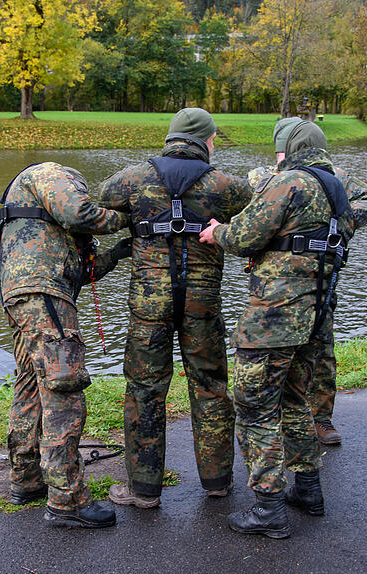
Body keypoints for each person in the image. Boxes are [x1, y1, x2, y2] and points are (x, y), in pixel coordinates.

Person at [200, 121, 355, 538]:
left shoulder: (289, 183)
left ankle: (268, 506)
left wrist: (217, 231)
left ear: (289, 149)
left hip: (275, 317)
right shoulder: (338, 189)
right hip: (316, 316)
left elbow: (246, 237)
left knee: (254, 407)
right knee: (294, 400)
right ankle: (307, 488)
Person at [98, 108, 252, 508]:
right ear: (205, 140)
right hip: (202, 304)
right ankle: (217, 481)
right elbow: (256, 214)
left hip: (150, 305)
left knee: (145, 390)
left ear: (171, 138)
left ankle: (143, 489)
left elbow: (99, 202)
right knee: (211, 387)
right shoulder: (226, 185)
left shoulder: (133, 178)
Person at [0, 162, 132, 527]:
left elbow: (84, 270)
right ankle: (67, 500)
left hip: (25, 297)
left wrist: (118, 253)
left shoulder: (41, 212)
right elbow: (79, 212)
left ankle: (26, 479)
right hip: (44, 296)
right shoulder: (55, 174)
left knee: (29, 385)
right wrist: (127, 218)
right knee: (64, 391)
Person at [248, 118, 367, 445]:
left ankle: (321, 418)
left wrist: (335, 223)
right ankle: (282, 416)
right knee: (273, 357)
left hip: (320, 282)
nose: (281, 157)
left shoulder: (334, 178)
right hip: (276, 285)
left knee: (321, 352)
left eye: (284, 150)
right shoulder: (266, 179)